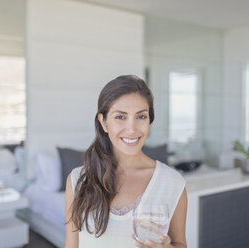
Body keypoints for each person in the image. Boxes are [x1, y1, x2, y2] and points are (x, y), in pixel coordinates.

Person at [65, 75, 187, 248]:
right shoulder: (78, 180)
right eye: (120, 117)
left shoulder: (172, 183)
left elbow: (180, 243)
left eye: (141, 117)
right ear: (104, 122)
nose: (131, 129)